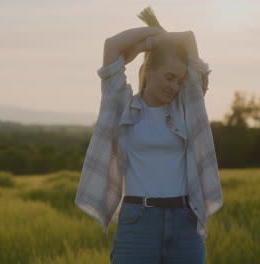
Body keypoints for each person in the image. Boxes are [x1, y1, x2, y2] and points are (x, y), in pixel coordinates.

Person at [75, 16, 223, 264]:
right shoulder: (122, 106)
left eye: (179, 80)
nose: (174, 86)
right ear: (150, 70)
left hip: (185, 222)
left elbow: (188, 38)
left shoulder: (186, 108)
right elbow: (111, 45)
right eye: (169, 77)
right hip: (138, 222)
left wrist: (159, 43)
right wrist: (149, 43)